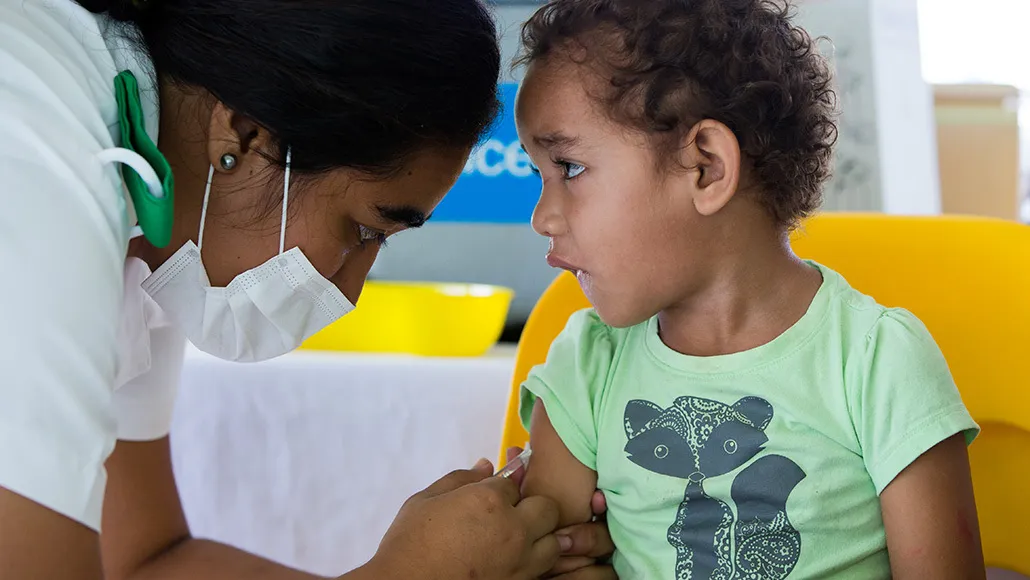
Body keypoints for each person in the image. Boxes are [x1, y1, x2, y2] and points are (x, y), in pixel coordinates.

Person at [0, 0, 616, 578]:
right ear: (241, 139)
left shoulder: (167, 210)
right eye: (364, 231)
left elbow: (140, 558)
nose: (349, 292)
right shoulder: (36, 162)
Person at [513, 0, 987, 578]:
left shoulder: (878, 361)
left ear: (706, 167)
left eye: (570, 168)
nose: (542, 217)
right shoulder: (584, 368)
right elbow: (549, 564)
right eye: (540, 175)